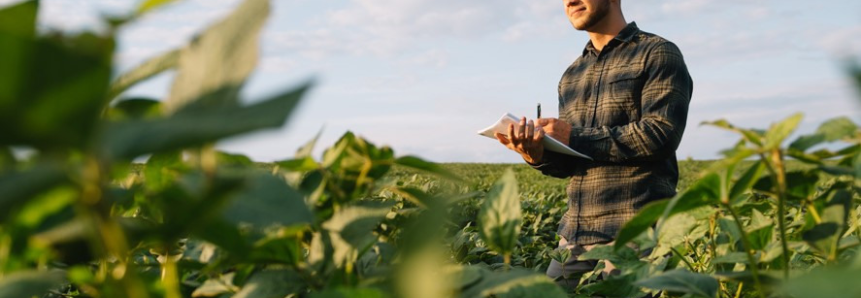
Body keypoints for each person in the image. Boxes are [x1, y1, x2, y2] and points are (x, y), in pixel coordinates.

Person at [494, 0, 693, 290]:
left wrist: (573, 136)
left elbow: (660, 134)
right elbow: (571, 162)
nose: (569, 2)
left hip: (635, 232)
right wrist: (536, 154)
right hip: (575, 235)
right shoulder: (571, 75)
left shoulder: (658, 52)